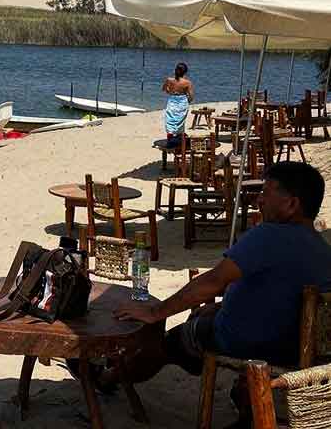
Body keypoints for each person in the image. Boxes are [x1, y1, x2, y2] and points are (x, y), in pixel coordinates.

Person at [111, 162, 331, 424]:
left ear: (292, 205)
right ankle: (245, 409)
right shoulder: (322, 249)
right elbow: (274, 294)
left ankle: (108, 377)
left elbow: (213, 282)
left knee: (172, 340)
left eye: (266, 192)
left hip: (247, 342)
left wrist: (154, 311)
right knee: (206, 317)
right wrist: (222, 307)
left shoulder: (269, 235)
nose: (259, 199)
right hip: (294, 348)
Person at [162, 62, 193, 147]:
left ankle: (170, 140)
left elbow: (164, 89)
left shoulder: (169, 80)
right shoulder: (187, 82)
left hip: (172, 100)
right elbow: (191, 96)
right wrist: (187, 102)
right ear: (185, 72)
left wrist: (170, 91)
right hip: (182, 100)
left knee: (170, 119)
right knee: (180, 120)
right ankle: (180, 139)